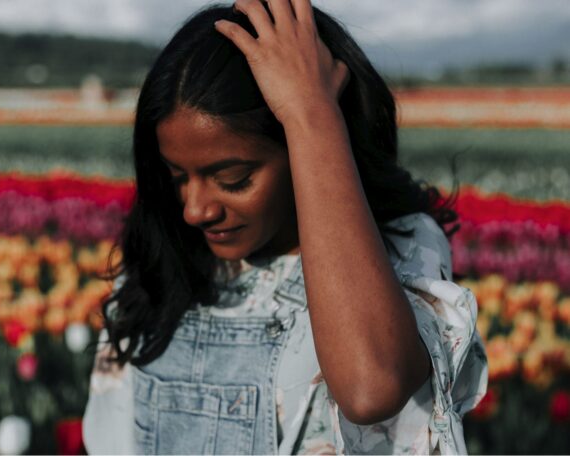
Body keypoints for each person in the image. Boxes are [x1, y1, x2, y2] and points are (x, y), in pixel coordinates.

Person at [82, 1, 488, 454]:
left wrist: (311, 113)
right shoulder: (159, 271)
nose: (194, 211)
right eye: (177, 177)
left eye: (232, 180)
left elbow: (371, 387)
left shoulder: (404, 249)